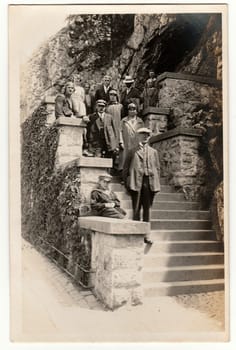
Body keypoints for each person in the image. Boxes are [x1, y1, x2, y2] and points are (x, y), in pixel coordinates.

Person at [122, 127, 161, 244]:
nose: (145, 136)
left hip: (149, 182)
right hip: (136, 182)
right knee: (136, 209)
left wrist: (156, 182)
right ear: (138, 136)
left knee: (148, 209)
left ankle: (147, 235)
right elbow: (125, 169)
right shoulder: (132, 151)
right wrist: (127, 183)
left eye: (147, 135)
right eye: (143, 134)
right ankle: (136, 233)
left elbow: (158, 168)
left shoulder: (154, 152)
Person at [119, 103, 144, 172]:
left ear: (136, 111)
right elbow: (120, 131)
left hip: (136, 143)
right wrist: (121, 142)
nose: (132, 111)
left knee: (135, 160)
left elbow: (143, 133)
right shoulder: (124, 121)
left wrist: (142, 142)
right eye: (130, 109)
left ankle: (133, 176)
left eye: (134, 109)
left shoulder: (140, 121)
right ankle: (124, 177)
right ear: (128, 111)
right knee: (125, 160)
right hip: (126, 142)